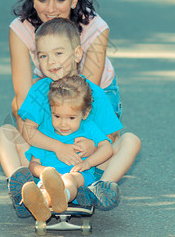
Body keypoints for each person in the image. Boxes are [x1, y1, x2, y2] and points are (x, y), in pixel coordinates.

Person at [0, 0, 141, 217]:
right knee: (8, 133)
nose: (51, 8)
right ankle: (24, 187)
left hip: (90, 96)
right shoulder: (22, 30)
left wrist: (87, 147)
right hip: (46, 99)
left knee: (118, 141)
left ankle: (97, 186)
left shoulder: (95, 27)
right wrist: (40, 146)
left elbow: (84, 96)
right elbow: (23, 97)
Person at [21, 75, 114, 221]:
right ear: (50, 110)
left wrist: (87, 163)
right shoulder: (45, 135)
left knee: (70, 179)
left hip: (78, 174)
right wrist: (45, 172)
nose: (63, 124)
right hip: (49, 178)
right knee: (43, 189)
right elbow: (33, 164)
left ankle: (62, 196)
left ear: (85, 113)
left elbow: (107, 148)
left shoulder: (88, 128)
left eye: (71, 118)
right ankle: (43, 205)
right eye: (57, 116)